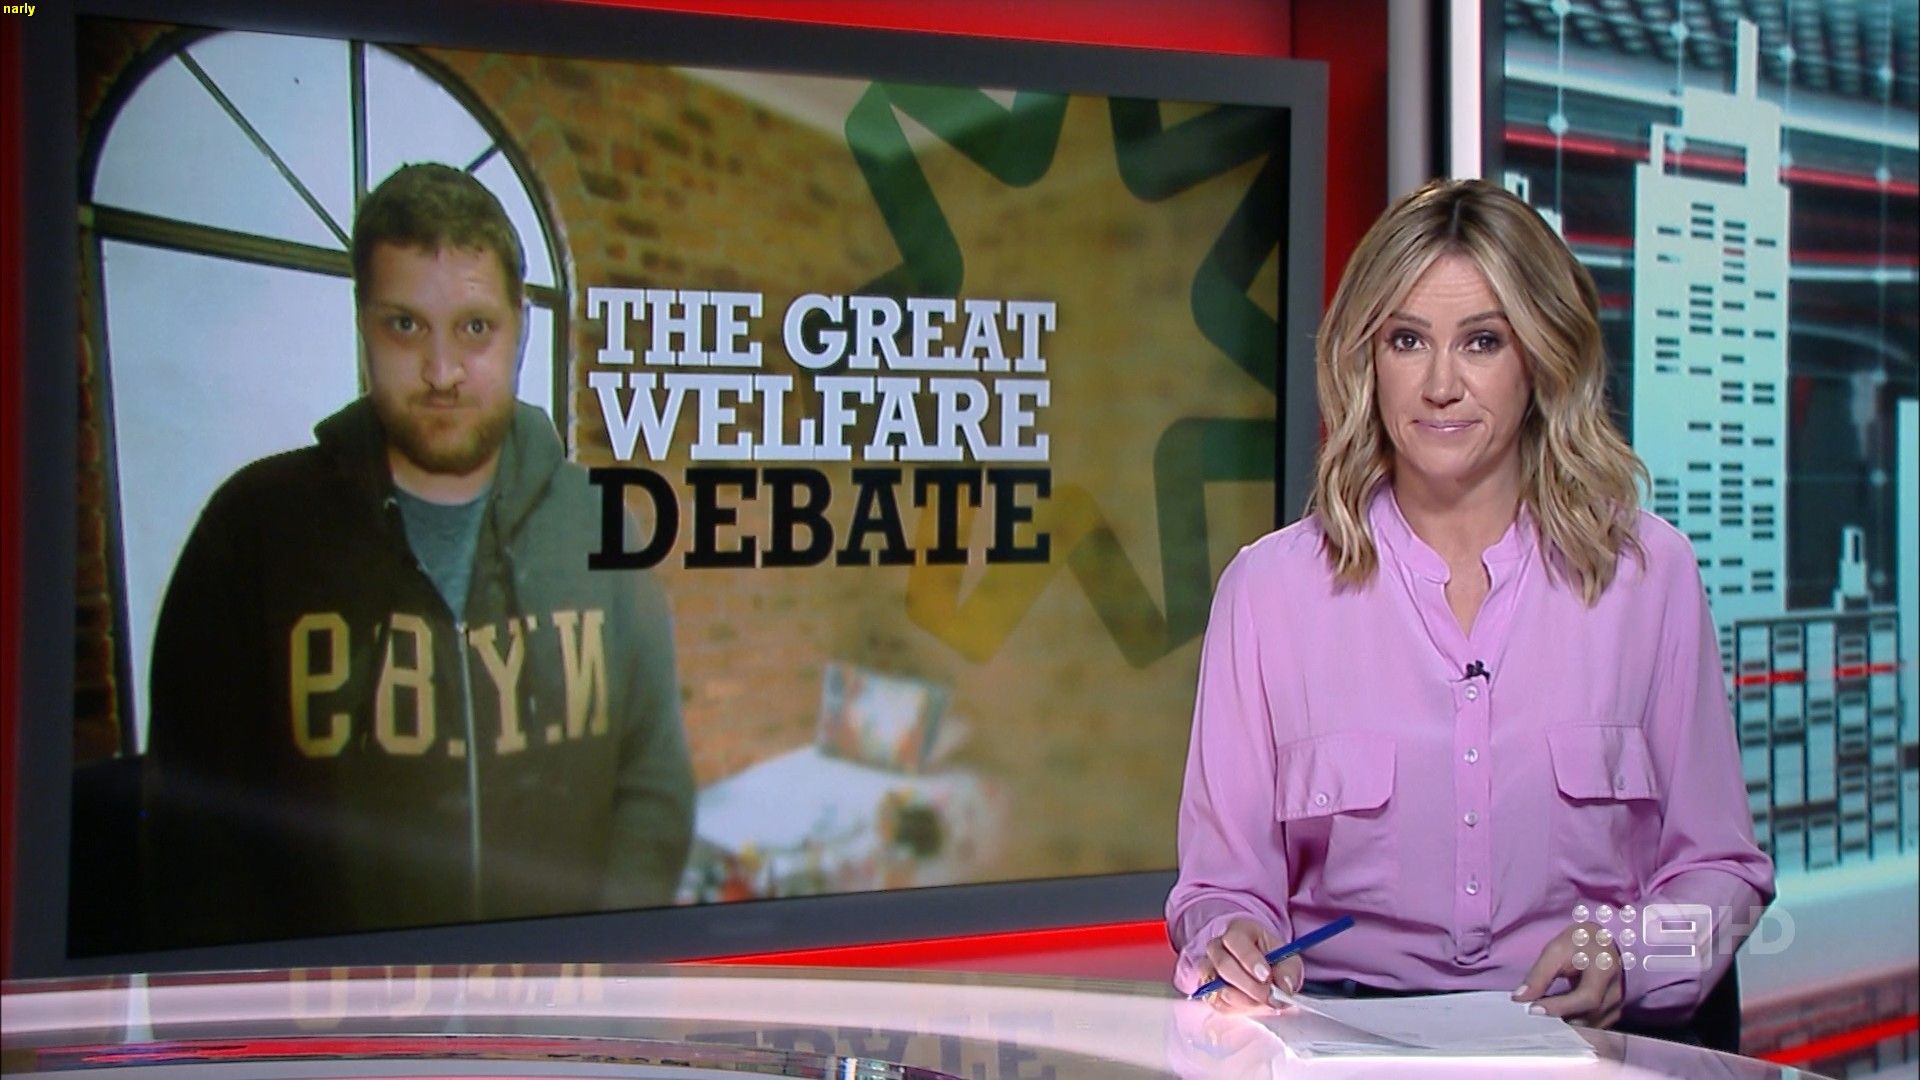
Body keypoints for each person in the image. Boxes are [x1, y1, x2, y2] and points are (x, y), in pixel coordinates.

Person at [1165, 178, 1775, 1039]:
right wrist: (1228, 938)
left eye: (1482, 342)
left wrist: (1631, 956)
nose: (1441, 385)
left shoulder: (1648, 575)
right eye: (1407, 340)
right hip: (1348, 1044)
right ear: (1366, 360)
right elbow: (1220, 890)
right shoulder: (1267, 594)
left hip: (1591, 1044)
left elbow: (1724, 874)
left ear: (1540, 358)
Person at [143, 163, 694, 949]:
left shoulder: (604, 524)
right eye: (405, 325)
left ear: (520, 329)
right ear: (363, 326)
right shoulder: (251, 533)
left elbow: (653, 784)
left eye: (474, 327)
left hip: (566, 1009)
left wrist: (602, 964)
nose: (441, 373)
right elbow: (198, 843)